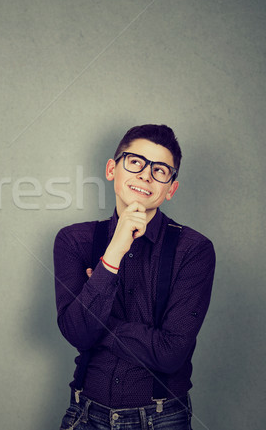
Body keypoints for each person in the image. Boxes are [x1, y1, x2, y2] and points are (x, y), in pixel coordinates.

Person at [53, 124, 215, 430]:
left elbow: (170, 354)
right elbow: (76, 332)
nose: (145, 175)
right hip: (85, 414)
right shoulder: (74, 240)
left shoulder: (194, 250)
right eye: (136, 162)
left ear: (171, 189)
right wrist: (113, 252)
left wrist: (95, 313)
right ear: (112, 169)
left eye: (161, 170)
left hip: (162, 417)